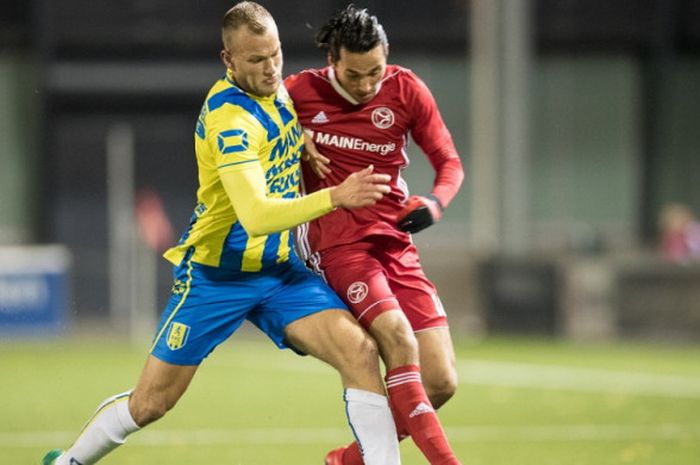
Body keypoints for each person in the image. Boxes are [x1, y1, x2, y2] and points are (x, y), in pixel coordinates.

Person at [42, 3, 402, 465]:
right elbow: (254, 215)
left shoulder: (277, 92)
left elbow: (287, 120)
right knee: (151, 403)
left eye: (275, 54)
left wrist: (303, 141)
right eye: (256, 60)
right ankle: (68, 461)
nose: (271, 68)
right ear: (228, 60)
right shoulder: (229, 119)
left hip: (278, 274)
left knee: (359, 350)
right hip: (216, 277)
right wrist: (336, 196)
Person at [285, 5, 465, 465]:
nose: (367, 85)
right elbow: (243, 119)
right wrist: (287, 132)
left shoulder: (406, 89)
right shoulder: (296, 92)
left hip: (396, 242)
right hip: (338, 242)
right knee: (399, 340)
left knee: (441, 381)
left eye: (375, 72)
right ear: (332, 60)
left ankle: (345, 461)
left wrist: (436, 202)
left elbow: (449, 162)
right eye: (355, 74)